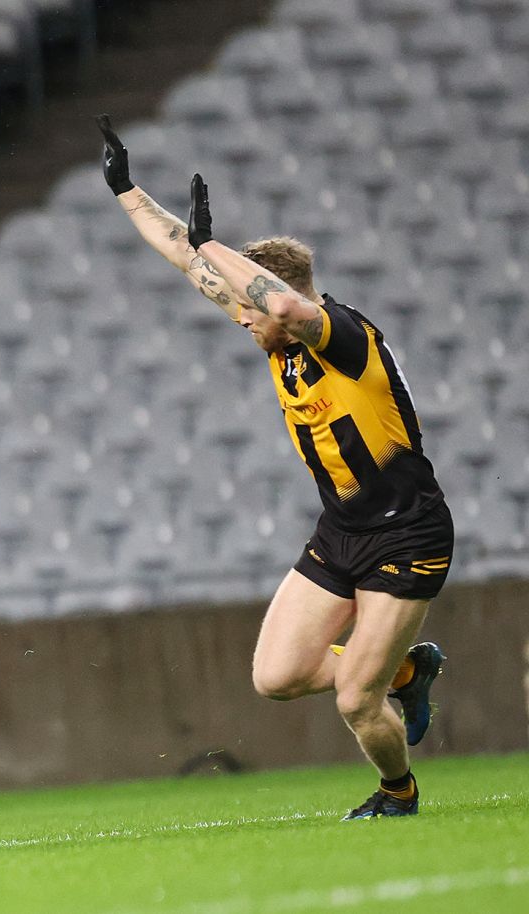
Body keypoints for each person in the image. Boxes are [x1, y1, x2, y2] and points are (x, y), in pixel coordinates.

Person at [96, 115, 451, 820]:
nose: (240, 319)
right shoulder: (278, 339)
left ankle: (397, 793)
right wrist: (128, 191)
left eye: (247, 308)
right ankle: (409, 670)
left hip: (408, 535)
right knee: (277, 676)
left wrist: (213, 244)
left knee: (355, 699)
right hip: (344, 528)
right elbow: (184, 257)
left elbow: (281, 301)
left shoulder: (341, 339)